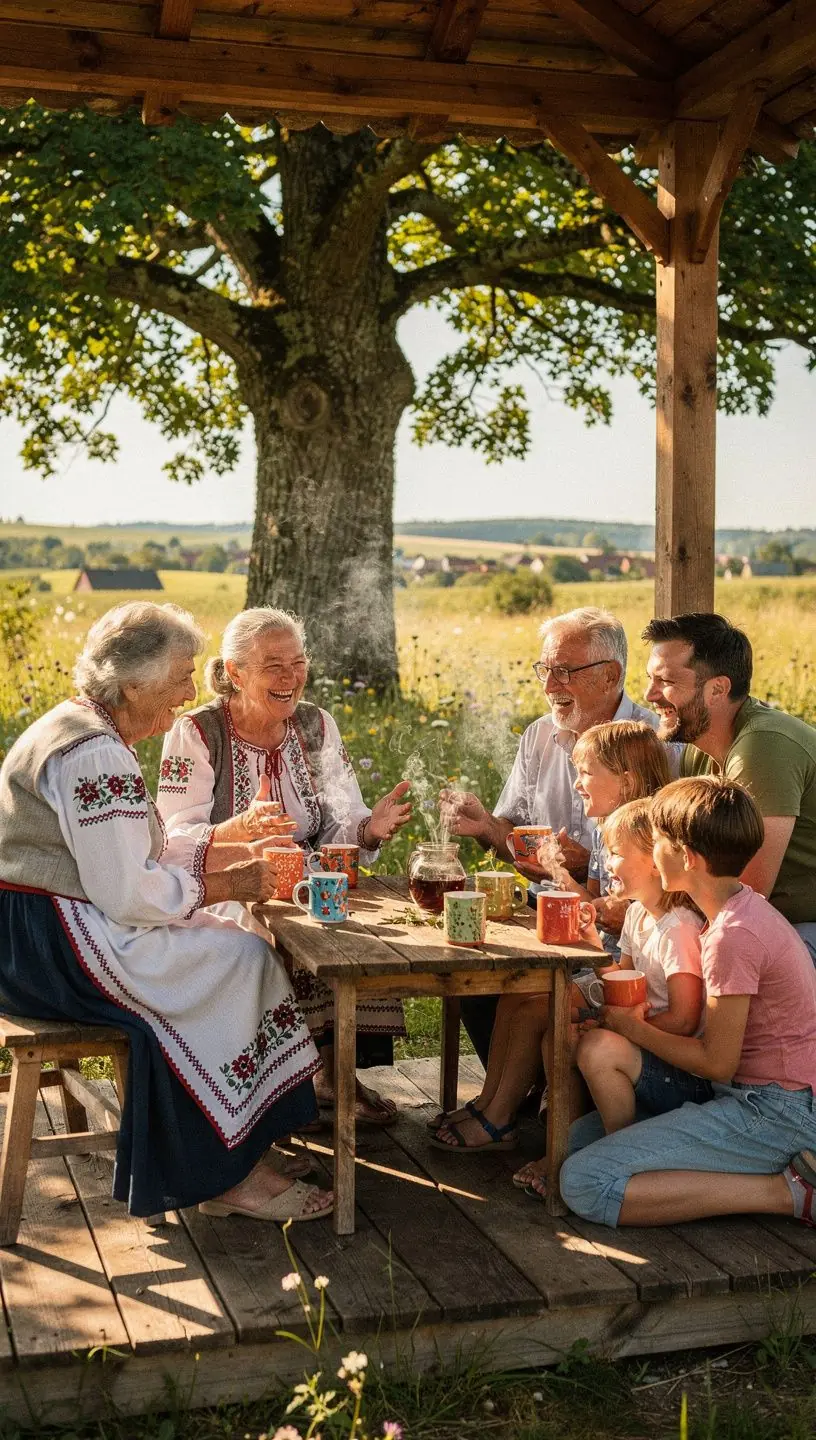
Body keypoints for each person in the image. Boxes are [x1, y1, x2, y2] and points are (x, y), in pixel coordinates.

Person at [0, 602, 333, 1223]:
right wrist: (227, 882)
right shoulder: (93, 753)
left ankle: (240, 1147)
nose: (189, 690)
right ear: (133, 684)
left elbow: (130, 852)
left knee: (236, 951)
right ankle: (220, 1172)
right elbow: (127, 893)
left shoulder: (83, 727)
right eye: (181, 676)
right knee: (235, 958)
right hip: (54, 947)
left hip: (39, 932)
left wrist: (229, 844)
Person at [158, 606, 412, 1127]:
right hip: (229, 882)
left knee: (358, 928)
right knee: (261, 940)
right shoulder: (197, 732)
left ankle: (333, 1076)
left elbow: (344, 819)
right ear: (235, 672)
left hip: (306, 881)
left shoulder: (317, 726)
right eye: (273, 665)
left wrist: (369, 829)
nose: (290, 677)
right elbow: (174, 839)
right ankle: (277, 1086)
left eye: (298, 663)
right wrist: (241, 831)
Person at [559, 776, 816, 1230]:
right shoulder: (737, 909)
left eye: (656, 840)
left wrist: (633, 1029)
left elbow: (716, 1062)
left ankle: (789, 1193)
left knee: (585, 1181)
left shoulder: (732, 936)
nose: (652, 851)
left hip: (774, 1110)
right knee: (580, 1141)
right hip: (758, 1097)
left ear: (687, 858)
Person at [428, 721, 670, 1157]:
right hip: (610, 959)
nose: (577, 783)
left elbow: (628, 908)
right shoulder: (609, 828)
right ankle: (489, 1102)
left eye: (586, 773)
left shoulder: (642, 834)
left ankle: (501, 1118)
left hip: (628, 975)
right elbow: (596, 901)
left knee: (537, 1006)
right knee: (516, 997)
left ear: (627, 781)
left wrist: (593, 907)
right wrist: (557, 871)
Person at [440, 607, 661, 1064]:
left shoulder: (653, 740)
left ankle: (518, 1105)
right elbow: (512, 836)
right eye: (545, 670)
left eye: (564, 672)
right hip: (548, 910)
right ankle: (515, 1099)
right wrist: (486, 827)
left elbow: (668, 866)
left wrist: (587, 865)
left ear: (610, 675)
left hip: (614, 927)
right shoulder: (540, 735)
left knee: (527, 991)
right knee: (466, 973)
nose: (549, 686)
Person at [643, 613, 816, 958]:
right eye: (650, 679)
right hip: (764, 921)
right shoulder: (699, 750)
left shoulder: (763, 745)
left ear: (717, 690)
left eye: (666, 682)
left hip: (802, 925)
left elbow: (746, 889)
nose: (650, 695)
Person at [575, 797, 710, 1139]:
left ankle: (619, 1148)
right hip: (646, 1047)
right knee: (561, 1033)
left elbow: (684, 1020)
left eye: (616, 853)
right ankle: (559, 1133)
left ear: (654, 863)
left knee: (596, 1048)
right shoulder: (636, 913)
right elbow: (622, 983)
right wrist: (592, 942)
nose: (606, 863)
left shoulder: (678, 928)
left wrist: (623, 1027)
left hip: (684, 1075)